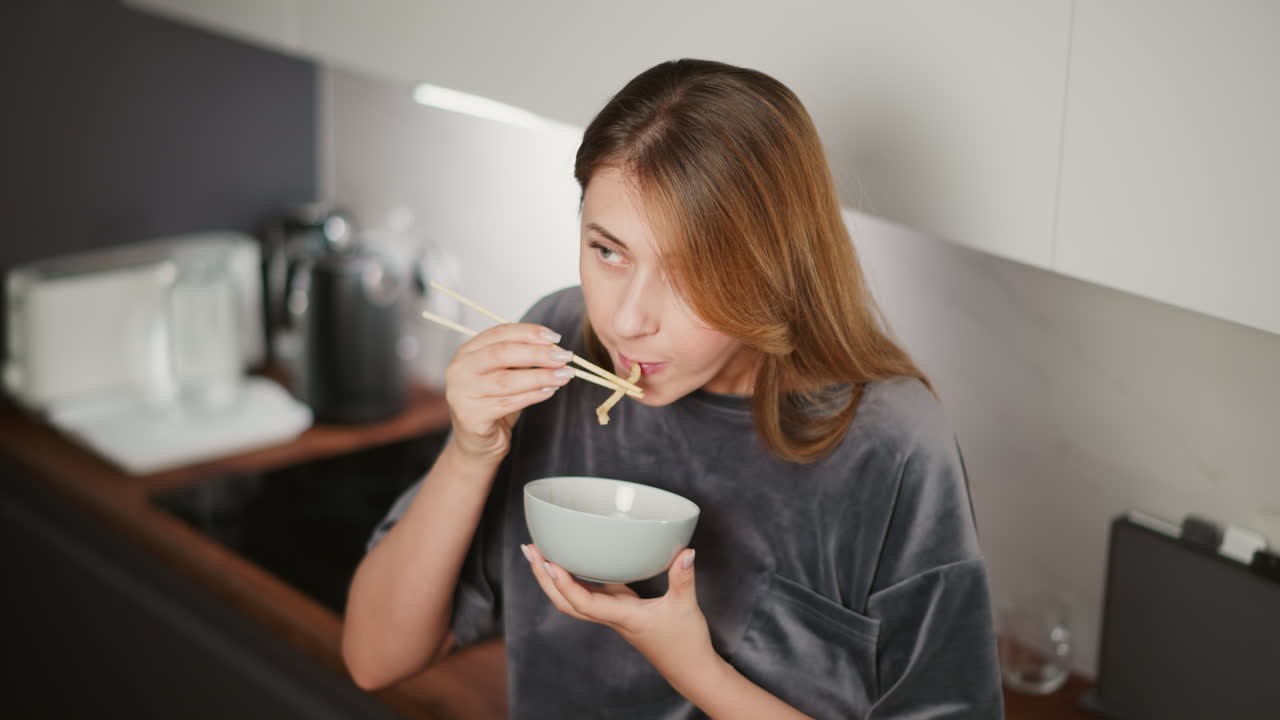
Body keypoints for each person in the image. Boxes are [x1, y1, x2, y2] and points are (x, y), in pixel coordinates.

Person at [341, 58, 1003, 719]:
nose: (628, 321)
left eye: (689, 273)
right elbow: (374, 657)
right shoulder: (560, 346)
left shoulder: (888, 444)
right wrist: (468, 452)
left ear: (773, 266)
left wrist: (695, 668)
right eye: (607, 251)